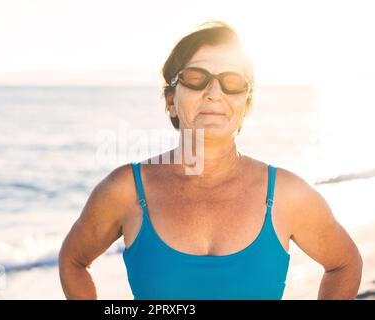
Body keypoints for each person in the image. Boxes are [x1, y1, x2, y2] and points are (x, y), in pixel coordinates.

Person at [58, 21, 363, 300]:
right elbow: (73, 261)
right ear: (171, 101)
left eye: (232, 81)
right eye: (196, 78)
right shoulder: (126, 189)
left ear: (247, 103)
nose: (214, 92)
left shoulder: (286, 194)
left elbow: (344, 263)